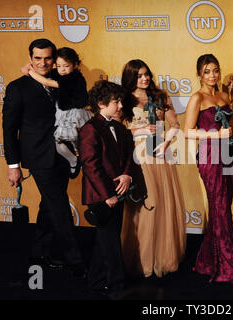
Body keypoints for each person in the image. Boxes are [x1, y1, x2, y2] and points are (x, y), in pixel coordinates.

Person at [2, 38, 86, 277]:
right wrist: (13, 165)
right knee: (59, 206)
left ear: (54, 58)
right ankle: (76, 261)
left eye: (48, 58)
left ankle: (39, 251)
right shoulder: (17, 87)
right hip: (38, 155)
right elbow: (9, 130)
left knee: (48, 205)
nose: (43, 63)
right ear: (30, 59)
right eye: (37, 58)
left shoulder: (64, 80)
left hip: (63, 154)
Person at [120, 59, 186, 278]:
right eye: (139, 75)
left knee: (162, 205)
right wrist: (139, 131)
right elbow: (116, 133)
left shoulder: (160, 96)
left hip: (160, 154)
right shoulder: (123, 99)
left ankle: (163, 257)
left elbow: (175, 126)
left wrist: (166, 141)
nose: (144, 78)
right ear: (131, 77)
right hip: (138, 157)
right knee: (146, 204)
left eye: (146, 74)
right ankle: (142, 259)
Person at [183, 54, 233, 283]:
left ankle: (207, 261)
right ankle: (227, 266)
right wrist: (215, 134)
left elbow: (229, 124)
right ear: (199, 74)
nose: (212, 75)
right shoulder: (196, 98)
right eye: (207, 71)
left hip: (229, 154)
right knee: (219, 208)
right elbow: (187, 131)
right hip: (210, 154)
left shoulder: (223, 95)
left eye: (216, 70)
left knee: (225, 204)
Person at [79, 80, 134, 299]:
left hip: (119, 191)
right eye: (116, 102)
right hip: (101, 195)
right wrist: (107, 195)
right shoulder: (90, 129)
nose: (121, 106)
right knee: (110, 241)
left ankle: (96, 282)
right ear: (101, 104)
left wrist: (128, 175)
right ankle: (117, 286)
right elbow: (91, 166)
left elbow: (129, 155)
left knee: (106, 240)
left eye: (120, 101)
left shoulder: (120, 127)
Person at [21, 47, 92, 179]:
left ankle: (76, 161)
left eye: (66, 66)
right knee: (60, 143)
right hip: (64, 112)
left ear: (75, 65)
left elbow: (46, 81)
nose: (62, 69)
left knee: (62, 142)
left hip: (73, 114)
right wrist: (28, 66)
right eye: (59, 66)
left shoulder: (72, 78)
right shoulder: (60, 73)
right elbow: (46, 73)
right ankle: (75, 161)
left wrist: (30, 71)